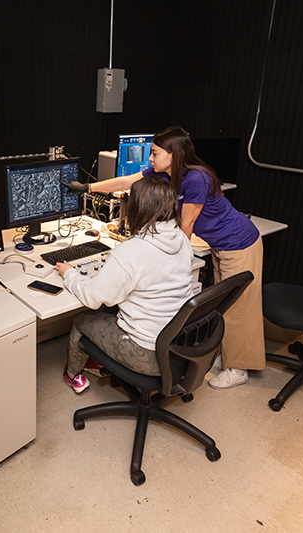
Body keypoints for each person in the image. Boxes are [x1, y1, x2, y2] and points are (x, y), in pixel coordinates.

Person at [64, 126, 264, 389]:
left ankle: (239, 368)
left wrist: (157, 254)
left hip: (238, 241)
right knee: (221, 303)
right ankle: (225, 356)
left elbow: (187, 226)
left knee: (238, 307)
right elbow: (128, 181)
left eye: (155, 153)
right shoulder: (165, 173)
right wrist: (88, 187)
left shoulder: (196, 179)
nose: (150, 158)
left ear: (174, 154)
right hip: (217, 243)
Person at [56, 176, 194, 393]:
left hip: (148, 354)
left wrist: (70, 275)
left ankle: (72, 374)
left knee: (82, 320)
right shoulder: (182, 239)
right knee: (111, 309)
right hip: (179, 345)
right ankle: (98, 360)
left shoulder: (132, 252)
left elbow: (93, 298)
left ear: (137, 208)